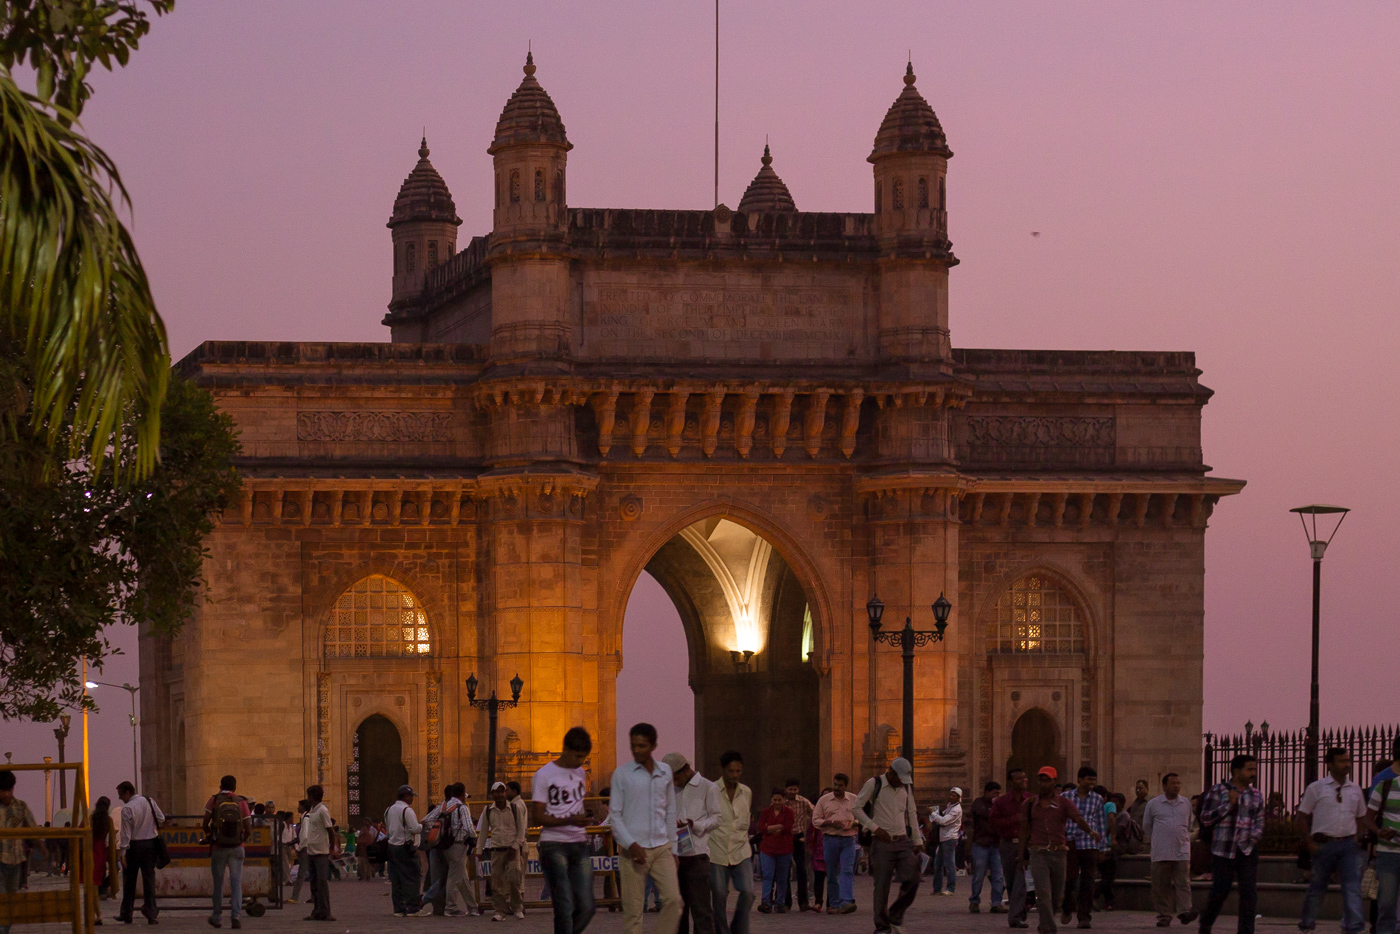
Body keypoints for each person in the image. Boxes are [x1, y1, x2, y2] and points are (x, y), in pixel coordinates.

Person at [609, 723, 680, 934]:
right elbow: (615, 815)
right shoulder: (622, 775)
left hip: (661, 848)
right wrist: (630, 844)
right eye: (633, 746)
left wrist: (673, 849)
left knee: (673, 902)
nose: (637, 750)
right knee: (633, 913)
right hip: (633, 851)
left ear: (653, 745)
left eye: (642, 745)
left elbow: (669, 811)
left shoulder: (665, 771)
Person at [1018, 766, 1101, 934]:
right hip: (1038, 852)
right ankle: (1049, 927)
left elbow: (1077, 818)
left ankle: (1045, 922)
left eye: (1047, 780)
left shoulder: (1063, 803)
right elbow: (1024, 830)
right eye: (1041, 780)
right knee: (1043, 892)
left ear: (1054, 781)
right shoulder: (1029, 804)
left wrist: (1091, 831)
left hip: (1059, 852)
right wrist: (1021, 855)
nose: (1044, 783)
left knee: (1056, 896)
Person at [1296, 747, 1368, 934]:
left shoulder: (1355, 789)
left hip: (1348, 844)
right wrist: (1308, 843)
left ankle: (1354, 927)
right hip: (1323, 844)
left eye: (1348, 760)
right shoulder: (1316, 788)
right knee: (1317, 888)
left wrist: (1357, 838)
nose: (1347, 765)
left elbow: (1361, 816)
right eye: (1342, 761)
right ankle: (1307, 924)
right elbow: (1302, 816)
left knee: (1352, 887)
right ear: (1330, 764)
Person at [533, 727, 597, 934]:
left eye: (584, 757)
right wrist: (571, 819)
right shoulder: (544, 775)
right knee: (564, 907)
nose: (581, 761)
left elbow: (574, 804)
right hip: (554, 845)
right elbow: (538, 816)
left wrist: (583, 817)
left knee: (587, 907)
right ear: (566, 750)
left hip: (579, 843)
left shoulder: (580, 772)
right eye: (578, 756)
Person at [853, 756, 924, 934]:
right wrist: (874, 828)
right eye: (899, 779)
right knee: (882, 886)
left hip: (902, 841)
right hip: (882, 842)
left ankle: (895, 915)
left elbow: (912, 813)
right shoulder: (874, 784)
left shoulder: (905, 787)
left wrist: (917, 840)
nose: (902, 782)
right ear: (891, 773)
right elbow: (856, 808)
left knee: (913, 878)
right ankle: (882, 926)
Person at [1197, 753, 1266, 934]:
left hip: (1247, 850)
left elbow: (1259, 821)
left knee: (1249, 893)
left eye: (1254, 769)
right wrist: (1229, 804)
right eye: (1249, 769)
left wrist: (1254, 837)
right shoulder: (1218, 790)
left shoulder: (1256, 794)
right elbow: (1205, 818)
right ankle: (1205, 923)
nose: (1253, 773)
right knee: (1220, 890)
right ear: (1236, 770)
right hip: (1223, 850)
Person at [663, 751, 720, 934]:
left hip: (697, 856)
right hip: (674, 857)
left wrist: (694, 824)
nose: (674, 782)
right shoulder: (670, 790)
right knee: (678, 911)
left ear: (686, 769)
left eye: (676, 777)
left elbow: (717, 819)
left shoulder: (708, 787)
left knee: (701, 910)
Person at [707, 751, 753, 934]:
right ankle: (721, 931)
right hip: (716, 850)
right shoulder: (711, 791)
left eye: (738, 771)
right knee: (718, 895)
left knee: (748, 892)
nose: (735, 775)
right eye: (731, 771)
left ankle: (738, 930)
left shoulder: (746, 792)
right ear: (723, 770)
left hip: (741, 850)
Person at [1143, 772, 1197, 927]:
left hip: (1181, 850)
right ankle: (1164, 915)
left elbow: (1188, 824)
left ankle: (1185, 911)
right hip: (1161, 851)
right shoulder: (1153, 804)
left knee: (1183, 882)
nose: (1177, 786)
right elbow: (1147, 826)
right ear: (1164, 786)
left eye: (1179, 783)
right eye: (1173, 783)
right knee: (1161, 885)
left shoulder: (1185, 803)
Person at [1060, 767, 1110, 930]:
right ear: (1079, 779)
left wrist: (1102, 847)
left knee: (1088, 882)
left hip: (1089, 844)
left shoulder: (1097, 799)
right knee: (1069, 879)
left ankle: (1084, 917)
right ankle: (1067, 906)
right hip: (1070, 842)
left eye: (1093, 780)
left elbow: (1101, 823)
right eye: (1088, 779)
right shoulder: (1065, 797)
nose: (1091, 783)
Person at [202, 774, 251, 929]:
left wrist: (210, 835)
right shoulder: (241, 801)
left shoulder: (214, 800)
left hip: (218, 847)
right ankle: (236, 916)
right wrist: (242, 838)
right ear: (235, 787)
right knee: (236, 883)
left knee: (218, 883)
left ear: (220, 786)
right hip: (237, 847)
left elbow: (205, 822)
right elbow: (248, 827)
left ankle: (217, 917)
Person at [1363, 736, 1399, 934]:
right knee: (1386, 904)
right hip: (1388, 852)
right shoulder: (1383, 782)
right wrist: (1379, 834)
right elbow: (1370, 817)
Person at [117, 780, 166, 925]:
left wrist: (122, 852)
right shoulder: (149, 801)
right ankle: (151, 914)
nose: (120, 798)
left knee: (129, 881)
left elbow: (125, 834)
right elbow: (161, 818)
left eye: (121, 795)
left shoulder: (127, 809)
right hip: (150, 845)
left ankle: (127, 913)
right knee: (149, 881)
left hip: (134, 846)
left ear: (127, 792)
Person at [992, 768, 1033, 929]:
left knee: (1021, 881)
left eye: (1025, 777)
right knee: (1010, 881)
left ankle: (1014, 917)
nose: (1023, 780)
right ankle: (1019, 910)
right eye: (1019, 778)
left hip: (1026, 845)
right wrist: (1015, 819)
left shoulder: (1030, 800)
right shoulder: (1002, 802)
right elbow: (994, 822)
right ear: (1010, 781)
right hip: (1008, 843)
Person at [812, 773, 858, 915]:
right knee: (831, 873)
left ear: (846, 786)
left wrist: (852, 824)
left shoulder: (854, 799)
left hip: (848, 839)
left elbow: (862, 818)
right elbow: (816, 820)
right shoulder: (824, 800)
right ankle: (833, 903)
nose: (837, 788)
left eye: (840, 785)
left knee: (847, 870)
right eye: (835, 784)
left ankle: (846, 901)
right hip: (830, 839)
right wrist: (831, 822)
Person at [479, 782, 525, 921]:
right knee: (496, 882)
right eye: (496, 792)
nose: (499, 795)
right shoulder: (488, 810)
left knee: (514, 879)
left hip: (512, 849)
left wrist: (515, 846)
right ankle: (499, 911)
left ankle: (517, 907)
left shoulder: (514, 809)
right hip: (496, 849)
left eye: (502, 792)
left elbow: (521, 830)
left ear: (505, 793)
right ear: (492, 794)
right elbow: (483, 831)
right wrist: (479, 849)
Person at [1, 770, 38, 934]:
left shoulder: (21, 806)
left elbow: (34, 828)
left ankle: (4, 929)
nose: (6, 794)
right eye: (2, 790)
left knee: (11, 901)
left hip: (15, 861)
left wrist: (42, 846)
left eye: (9, 790)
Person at [440, 785, 480, 917]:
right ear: (462, 794)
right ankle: (450, 907)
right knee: (453, 877)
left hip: (446, 845)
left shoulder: (444, 806)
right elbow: (469, 827)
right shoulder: (462, 807)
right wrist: (475, 838)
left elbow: (428, 820)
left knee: (462, 877)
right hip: (458, 845)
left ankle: (473, 907)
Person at [969, 781, 1007, 914]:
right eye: (995, 793)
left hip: (996, 844)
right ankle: (974, 901)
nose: (997, 795)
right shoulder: (979, 803)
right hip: (981, 844)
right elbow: (981, 813)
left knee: (998, 876)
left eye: (998, 793)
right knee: (979, 874)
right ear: (987, 792)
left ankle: (996, 902)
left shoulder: (999, 805)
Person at [298, 785, 334, 922]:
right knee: (314, 884)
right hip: (312, 851)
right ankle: (317, 911)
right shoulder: (313, 810)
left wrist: (332, 848)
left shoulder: (323, 811)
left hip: (321, 852)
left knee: (322, 882)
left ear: (312, 796)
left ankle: (326, 911)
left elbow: (330, 830)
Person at [756, 790, 794, 913]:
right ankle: (766, 902)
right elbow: (762, 828)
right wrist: (778, 826)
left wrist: (770, 828)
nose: (777, 802)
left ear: (784, 800)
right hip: (767, 848)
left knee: (782, 877)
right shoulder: (765, 812)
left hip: (784, 848)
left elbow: (787, 828)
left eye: (779, 800)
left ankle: (780, 903)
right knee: (767, 875)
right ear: (771, 800)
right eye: (775, 800)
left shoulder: (789, 812)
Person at [778, 780, 813, 912]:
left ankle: (803, 902)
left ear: (798, 790)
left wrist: (808, 830)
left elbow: (815, 814)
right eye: (790, 789)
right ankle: (786, 902)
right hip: (784, 837)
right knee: (785, 870)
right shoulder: (780, 802)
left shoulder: (803, 802)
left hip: (799, 837)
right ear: (786, 789)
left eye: (795, 789)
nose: (792, 792)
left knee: (802, 870)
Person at [929, 786, 963, 896]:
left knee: (949, 864)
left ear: (959, 798)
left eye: (954, 795)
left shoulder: (956, 809)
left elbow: (944, 821)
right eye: (950, 794)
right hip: (943, 838)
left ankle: (950, 888)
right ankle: (937, 888)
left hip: (949, 838)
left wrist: (932, 813)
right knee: (938, 864)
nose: (951, 797)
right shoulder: (949, 806)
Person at [92, 796, 114, 917]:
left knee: (94, 878)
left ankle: (100, 890)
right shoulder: (107, 820)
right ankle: (102, 889)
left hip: (92, 849)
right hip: (102, 849)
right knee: (101, 873)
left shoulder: (91, 818)